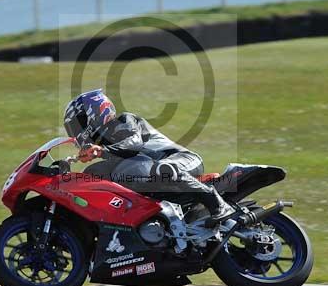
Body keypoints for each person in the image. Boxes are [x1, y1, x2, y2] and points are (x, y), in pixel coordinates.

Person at [63, 89, 235, 220]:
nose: (76, 132)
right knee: (93, 174)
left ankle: (215, 202)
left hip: (182, 160)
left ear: (94, 113)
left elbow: (134, 143)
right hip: (156, 174)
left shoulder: (124, 121)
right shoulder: (107, 147)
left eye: (77, 125)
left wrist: (103, 151)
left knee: (162, 169)